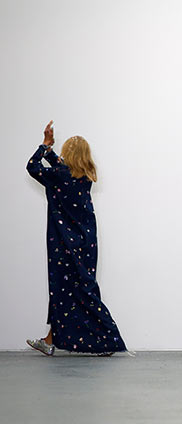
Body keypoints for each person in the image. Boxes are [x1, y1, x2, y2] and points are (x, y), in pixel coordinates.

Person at [26, 121, 127, 356]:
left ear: (68, 154)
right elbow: (61, 168)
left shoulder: (60, 176)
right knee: (77, 289)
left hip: (64, 244)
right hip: (87, 242)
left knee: (68, 290)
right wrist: (51, 153)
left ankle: (109, 339)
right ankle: (50, 340)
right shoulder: (84, 178)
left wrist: (44, 146)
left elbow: (32, 167)